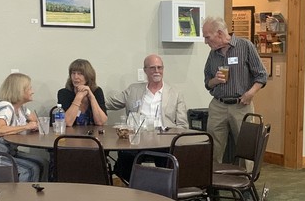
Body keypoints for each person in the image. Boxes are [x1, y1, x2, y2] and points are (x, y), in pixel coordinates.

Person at [108, 54, 189, 182]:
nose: (157, 71)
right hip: (138, 139)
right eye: (152, 68)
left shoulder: (175, 94)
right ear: (145, 70)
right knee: (125, 159)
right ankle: (133, 187)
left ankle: (163, 188)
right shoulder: (133, 90)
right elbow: (110, 103)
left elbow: (183, 125)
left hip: (164, 140)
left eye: (159, 67)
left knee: (167, 162)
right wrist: (90, 96)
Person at [202, 16, 268, 164]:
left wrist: (250, 93)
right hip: (218, 106)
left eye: (207, 37)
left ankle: (246, 178)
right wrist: (215, 80)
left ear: (219, 33)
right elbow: (207, 83)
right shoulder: (213, 54)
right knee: (213, 148)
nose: (205, 42)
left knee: (246, 148)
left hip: (241, 106)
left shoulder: (245, 46)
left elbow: (262, 75)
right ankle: (213, 177)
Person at [0, 72, 45, 182]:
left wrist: (34, 125)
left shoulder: (21, 108)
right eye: (29, 88)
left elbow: (35, 120)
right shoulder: (5, 107)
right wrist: (26, 126)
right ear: (20, 90)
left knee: (42, 162)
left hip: (7, 153)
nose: (33, 91)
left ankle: (36, 191)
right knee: (30, 169)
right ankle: (22, 193)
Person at [58, 58, 107, 127]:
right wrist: (79, 97)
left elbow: (100, 122)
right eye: (73, 73)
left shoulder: (97, 91)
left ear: (88, 76)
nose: (75, 77)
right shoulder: (64, 93)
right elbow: (67, 122)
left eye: (80, 74)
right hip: (70, 133)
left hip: (92, 133)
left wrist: (92, 97)